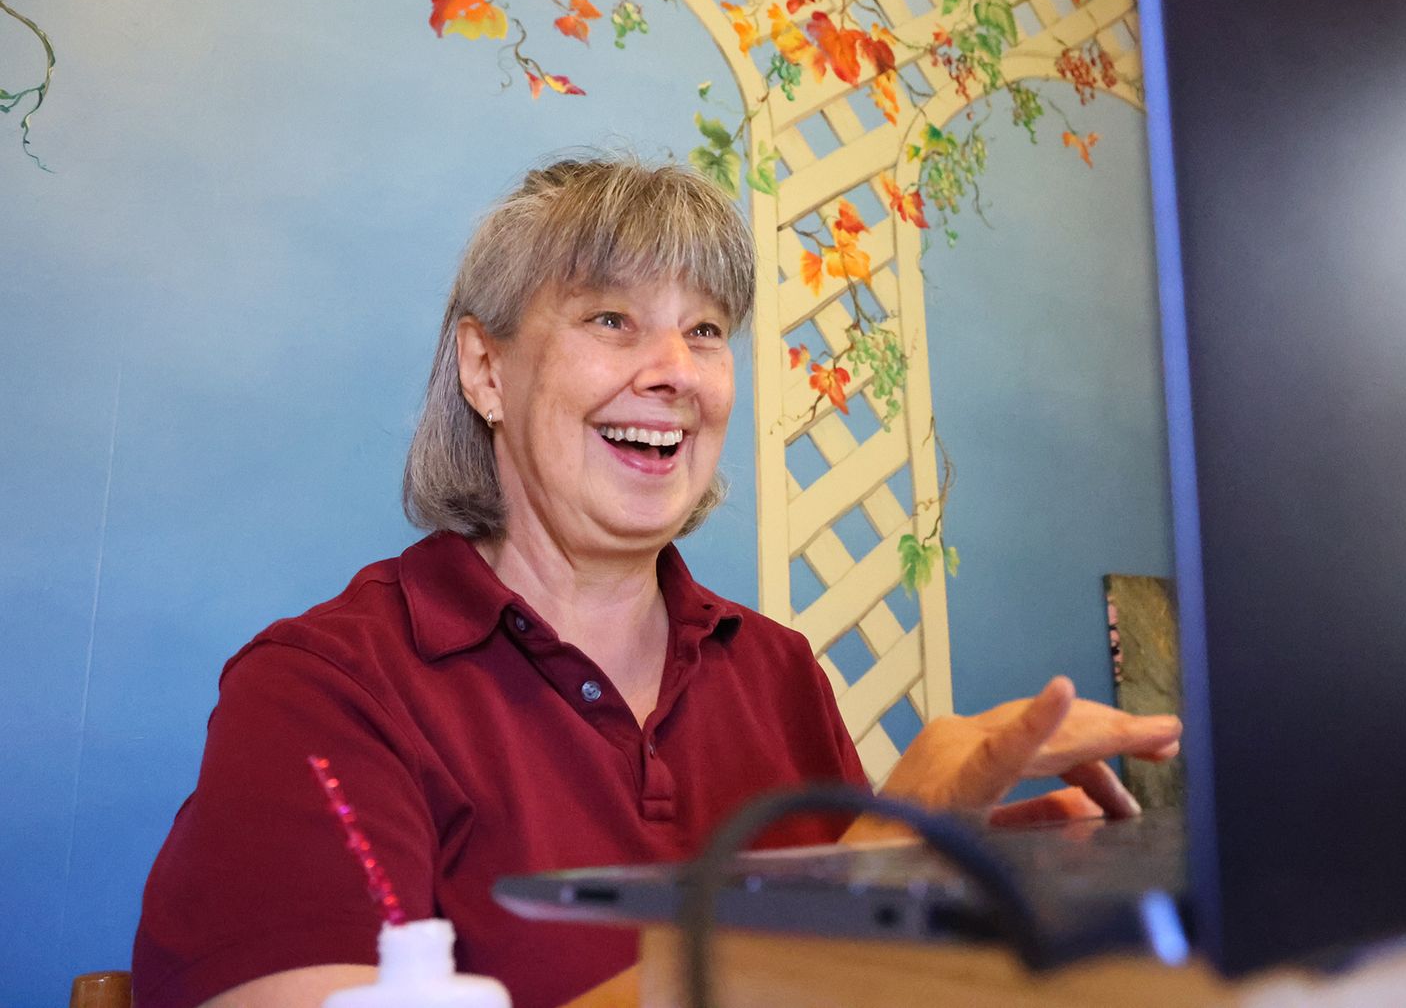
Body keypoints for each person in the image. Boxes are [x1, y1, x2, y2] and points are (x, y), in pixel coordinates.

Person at [132, 157, 1182, 1008]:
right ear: (484, 370)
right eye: (610, 320)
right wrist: (868, 857)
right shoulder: (324, 687)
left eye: (706, 330)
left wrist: (949, 897)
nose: (674, 369)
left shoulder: (775, 669)